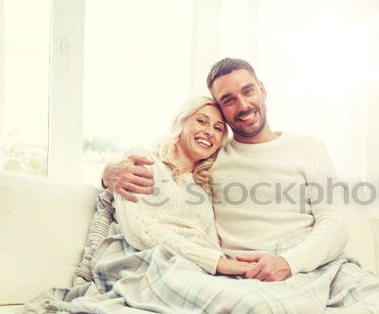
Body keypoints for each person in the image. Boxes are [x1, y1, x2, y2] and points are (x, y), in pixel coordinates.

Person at [103, 58, 348, 282]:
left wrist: (290, 262)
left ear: (262, 89)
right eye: (229, 100)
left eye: (248, 91)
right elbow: (165, 164)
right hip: (242, 275)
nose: (243, 105)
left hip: (307, 265)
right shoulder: (211, 157)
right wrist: (108, 174)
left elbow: (334, 223)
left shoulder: (309, 148)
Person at [109, 95, 254, 277]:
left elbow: (210, 242)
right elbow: (138, 230)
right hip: (150, 262)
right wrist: (215, 262)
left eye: (218, 128)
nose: (210, 132)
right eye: (202, 121)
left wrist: (226, 267)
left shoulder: (204, 186)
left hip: (199, 270)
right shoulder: (143, 161)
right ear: (181, 122)